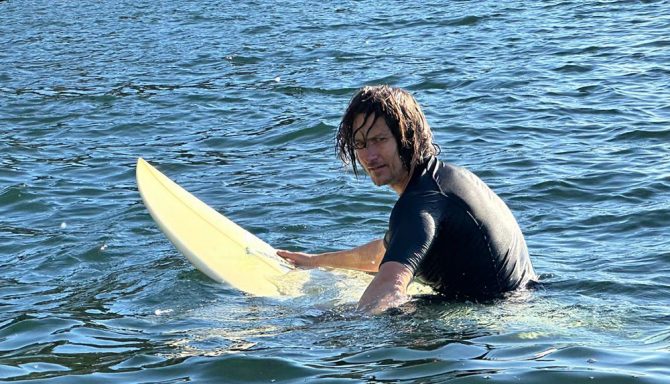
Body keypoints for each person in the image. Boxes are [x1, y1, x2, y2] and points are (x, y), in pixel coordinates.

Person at [277, 85, 536, 314]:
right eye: (360, 144)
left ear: (408, 138)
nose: (369, 155)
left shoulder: (420, 202)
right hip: (524, 305)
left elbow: (391, 286)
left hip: (489, 324)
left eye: (379, 140)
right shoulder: (443, 180)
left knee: (326, 320)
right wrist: (316, 262)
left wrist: (340, 325)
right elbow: (387, 252)